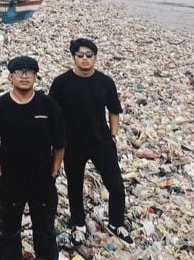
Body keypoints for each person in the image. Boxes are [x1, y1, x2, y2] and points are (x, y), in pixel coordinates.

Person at [0, 56, 66, 260]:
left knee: (45, 227)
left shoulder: (48, 106)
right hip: (11, 180)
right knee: (9, 228)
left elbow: (60, 144)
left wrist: (53, 172)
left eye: (30, 71)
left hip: (42, 179)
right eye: (19, 71)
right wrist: (0, 173)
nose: (24, 75)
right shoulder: (0, 107)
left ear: (35, 76)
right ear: (10, 76)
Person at [49, 38, 134, 245]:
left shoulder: (105, 82)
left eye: (89, 55)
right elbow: (53, 113)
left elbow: (114, 110)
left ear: (95, 57)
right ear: (73, 57)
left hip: (101, 141)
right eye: (81, 56)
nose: (85, 59)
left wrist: (113, 135)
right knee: (75, 186)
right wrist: (55, 141)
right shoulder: (61, 83)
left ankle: (116, 222)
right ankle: (78, 223)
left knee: (115, 185)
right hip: (72, 144)